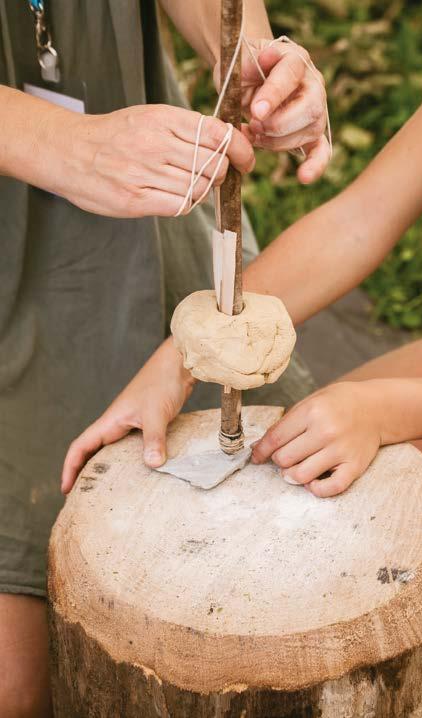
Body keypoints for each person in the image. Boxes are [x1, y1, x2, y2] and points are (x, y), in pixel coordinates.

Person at [66, 0, 422, 620]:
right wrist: (179, 361)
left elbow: (386, 416)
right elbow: (360, 220)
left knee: (376, 471)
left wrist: (386, 411)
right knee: (313, 455)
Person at [0, 1, 330, 715]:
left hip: (132, 198)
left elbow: (227, 19)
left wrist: (247, 58)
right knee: (15, 686)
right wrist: (61, 143)